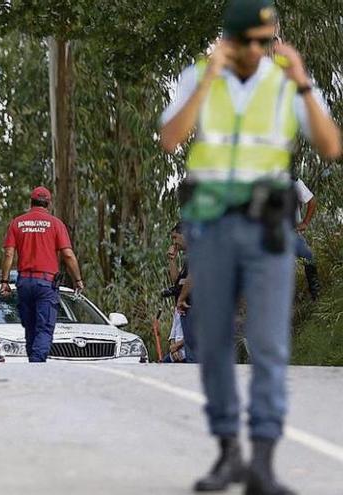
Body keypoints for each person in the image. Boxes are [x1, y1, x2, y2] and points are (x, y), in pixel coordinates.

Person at [159, 1, 341, 493]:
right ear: (230, 40)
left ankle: (262, 458)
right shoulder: (198, 75)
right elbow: (171, 139)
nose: (259, 51)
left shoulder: (286, 79)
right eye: (250, 42)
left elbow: (330, 145)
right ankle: (228, 453)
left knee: (268, 342)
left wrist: (303, 81)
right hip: (212, 228)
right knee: (214, 341)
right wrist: (206, 79)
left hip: (268, 229)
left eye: (268, 41)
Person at [0, 187, 83, 362]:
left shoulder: (17, 222)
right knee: (43, 328)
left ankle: (33, 362)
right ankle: (37, 364)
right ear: (49, 204)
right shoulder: (56, 224)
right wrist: (78, 280)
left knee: (30, 327)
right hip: (45, 283)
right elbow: (68, 255)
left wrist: (4, 281)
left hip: (24, 283)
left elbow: (8, 254)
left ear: (31, 202)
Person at [168, 222, 196, 363]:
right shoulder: (188, 259)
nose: (174, 242)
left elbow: (194, 276)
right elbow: (177, 281)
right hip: (185, 311)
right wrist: (172, 260)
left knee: (194, 357)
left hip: (194, 308)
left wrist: (181, 299)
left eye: (175, 237)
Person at [292, 177, 319, 300]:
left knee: (309, 258)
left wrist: (305, 222)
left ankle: (316, 295)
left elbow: (312, 201)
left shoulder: (294, 181)